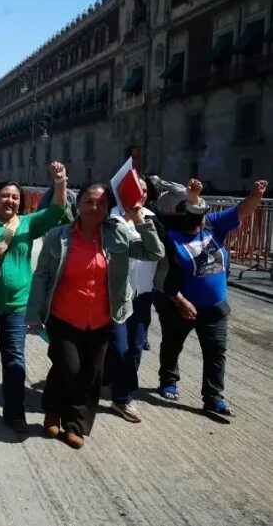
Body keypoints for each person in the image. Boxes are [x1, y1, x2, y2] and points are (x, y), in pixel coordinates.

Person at [25, 183, 164, 449]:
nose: (94, 207)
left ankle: (76, 425)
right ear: (79, 204)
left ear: (108, 207)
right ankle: (53, 410)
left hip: (101, 317)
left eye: (101, 203)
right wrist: (34, 314)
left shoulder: (119, 233)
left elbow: (153, 252)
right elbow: (42, 275)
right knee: (68, 366)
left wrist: (140, 220)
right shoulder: (59, 236)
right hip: (64, 315)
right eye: (89, 201)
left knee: (91, 373)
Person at [0, 162, 72, 433]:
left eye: (15, 197)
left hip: (16, 306)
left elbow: (58, 210)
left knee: (14, 359)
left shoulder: (27, 224)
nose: (10, 200)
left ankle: (14, 413)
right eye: (5, 195)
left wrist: (60, 182)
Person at [155, 178, 268, 417]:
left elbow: (241, 211)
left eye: (202, 215)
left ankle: (213, 397)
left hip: (215, 308)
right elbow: (161, 277)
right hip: (179, 306)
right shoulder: (169, 237)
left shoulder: (213, 225)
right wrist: (180, 301)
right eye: (194, 216)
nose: (200, 220)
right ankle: (168, 381)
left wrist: (256, 195)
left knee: (216, 352)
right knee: (172, 345)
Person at [103, 173, 161, 423]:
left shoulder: (152, 218)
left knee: (136, 346)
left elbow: (161, 251)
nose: (142, 194)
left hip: (143, 293)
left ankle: (121, 393)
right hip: (115, 294)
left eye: (145, 191)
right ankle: (119, 392)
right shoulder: (109, 218)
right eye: (136, 189)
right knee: (119, 346)